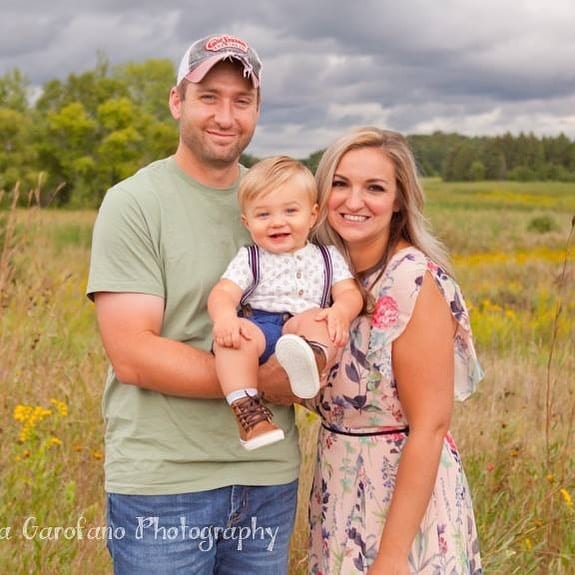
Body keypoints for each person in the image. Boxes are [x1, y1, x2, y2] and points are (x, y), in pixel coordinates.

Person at [87, 34, 301, 575]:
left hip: (267, 478)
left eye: (241, 100)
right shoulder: (135, 203)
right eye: (209, 96)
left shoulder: (275, 202)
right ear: (177, 101)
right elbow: (133, 354)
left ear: (256, 109)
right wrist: (265, 385)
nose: (225, 115)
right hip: (166, 484)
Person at [306, 127, 484, 574]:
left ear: (400, 200)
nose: (353, 201)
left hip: (403, 511)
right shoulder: (326, 277)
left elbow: (430, 425)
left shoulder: (412, 281)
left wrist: (390, 557)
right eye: (340, 184)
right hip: (338, 492)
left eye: (375, 188)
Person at [208, 155, 363, 451]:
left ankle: (310, 361)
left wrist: (341, 311)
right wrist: (225, 318)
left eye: (291, 211)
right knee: (234, 339)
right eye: (263, 215)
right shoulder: (251, 258)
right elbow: (223, 293)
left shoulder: (328, 257)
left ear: (313, 214)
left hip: (301, 328)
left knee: (320, 321)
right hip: (260, 326)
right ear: (247, 221)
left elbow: (349, 293)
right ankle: (249, 415)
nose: (277, 222)